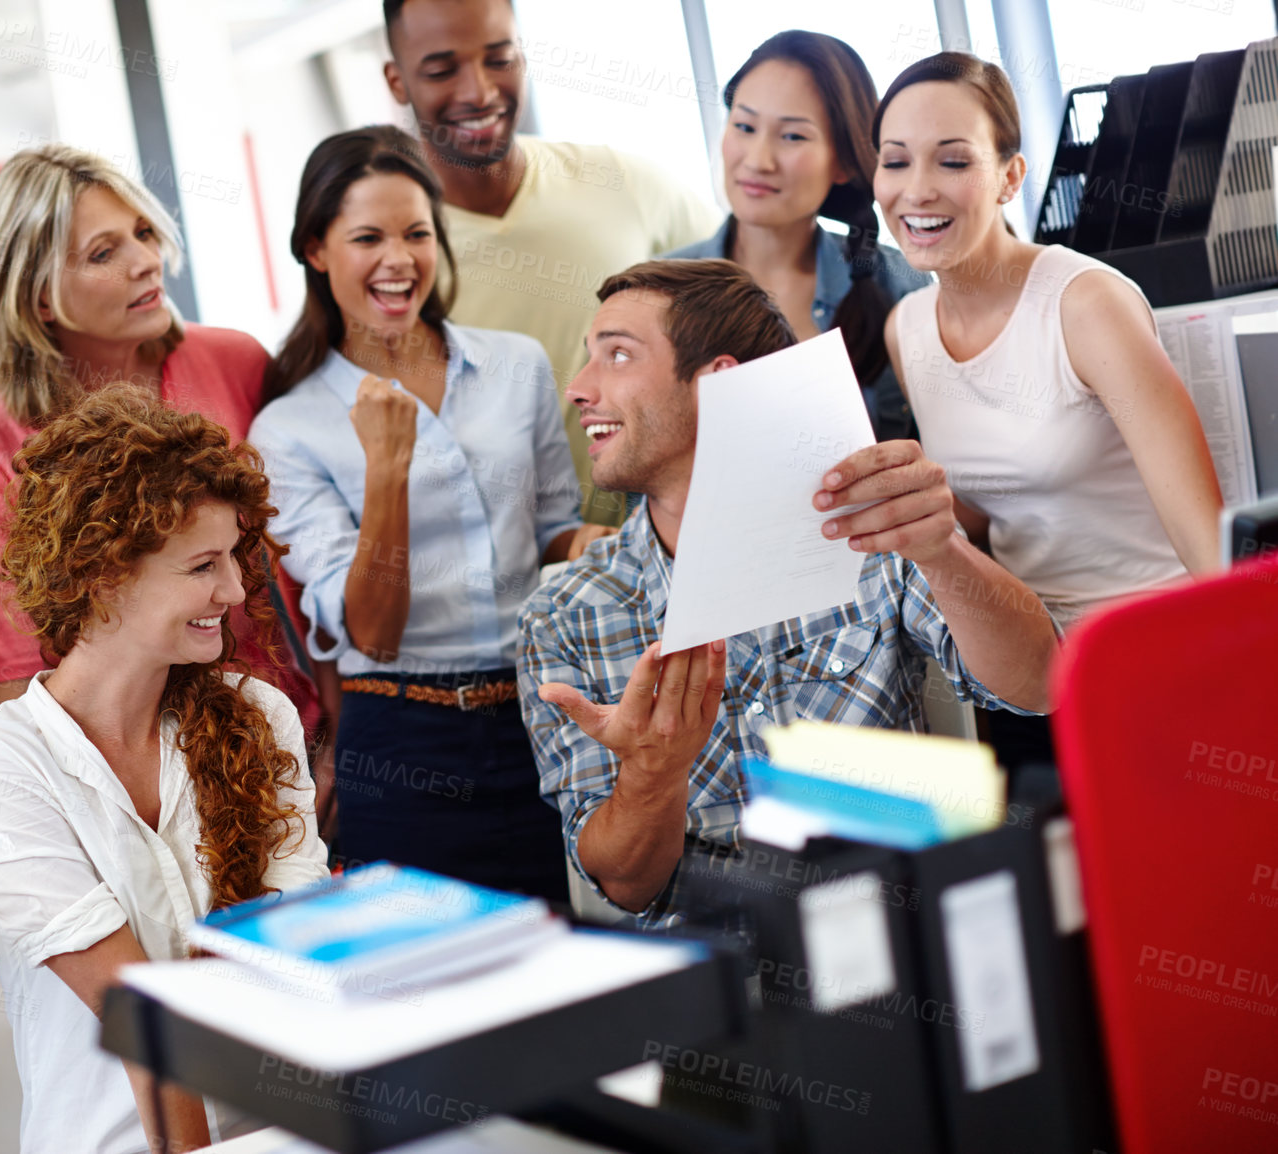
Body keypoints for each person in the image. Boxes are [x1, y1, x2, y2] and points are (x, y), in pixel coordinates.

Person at [517, 259, 1059, 927]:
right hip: (719, 973)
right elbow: (624, 885)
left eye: (618, 356)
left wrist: (942, 549)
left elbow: (1037, 685)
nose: (578, 388)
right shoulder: (564, 612)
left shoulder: (868, 532)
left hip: (897, 923)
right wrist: (653, 774)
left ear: (718, 384)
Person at [0, 391, 329, 1154]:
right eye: (201, 566)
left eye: (232, 559)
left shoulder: (258, 716)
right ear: (104, 576)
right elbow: (145, 1026)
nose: (231, 591)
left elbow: (298, 956)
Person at [251, 125, 600, 903]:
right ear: (316, 248)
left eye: (416, 233)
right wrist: (386, 471)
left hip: (538, 717)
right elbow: (369, 630)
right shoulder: (287, 428)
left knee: (557, 972)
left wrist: (596, 544)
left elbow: (551, 532)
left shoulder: (517, 365)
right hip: (403, 741)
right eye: (367, 236)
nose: (398, 259)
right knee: (424, 992)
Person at [873, 52, 1223, 766]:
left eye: (952, 161)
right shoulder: (906, 328)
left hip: (1155, 657)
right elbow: (981, 514)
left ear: (1009, 176)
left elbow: (1206, 545)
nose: (917, 190)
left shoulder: (1085, 305)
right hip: (1028, 672)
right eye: (895, 161)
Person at [0, 143, 322, 743]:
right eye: (103, 252)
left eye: (144, 232)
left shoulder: (236, 362)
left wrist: (329, 750)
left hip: (291, 738)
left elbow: (310, 571)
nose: (147, 260)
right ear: (37, 295)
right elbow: (15, 689)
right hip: (127, 776)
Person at [383, 0, 722, 523]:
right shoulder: (391, 266)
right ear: (398, 81)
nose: (478, 91)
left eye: (499, 58)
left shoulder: (620, 182)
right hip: (522, 583)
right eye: (442, 69)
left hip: (687, 539)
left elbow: (748, 310)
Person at [666, 31, 930, 440]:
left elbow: (931, 453)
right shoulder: (661, 291)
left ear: (842, 161)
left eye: (792, 136)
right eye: (744, 126)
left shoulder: (898, 284)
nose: (758, 160)